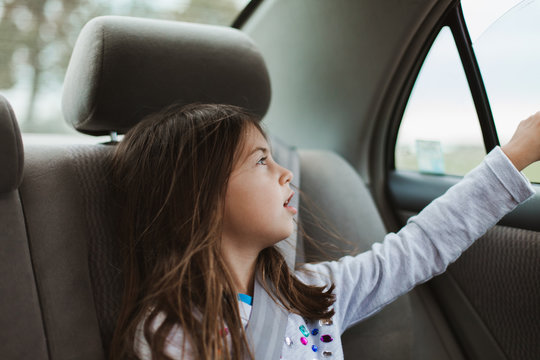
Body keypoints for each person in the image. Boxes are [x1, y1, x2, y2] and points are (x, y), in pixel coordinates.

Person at [108, 102, 538, 360]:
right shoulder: (170, 334)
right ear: (197, 195)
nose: (285, 175)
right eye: (261, 160)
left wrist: (514, 154)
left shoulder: (311, 292)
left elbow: (419, 247)